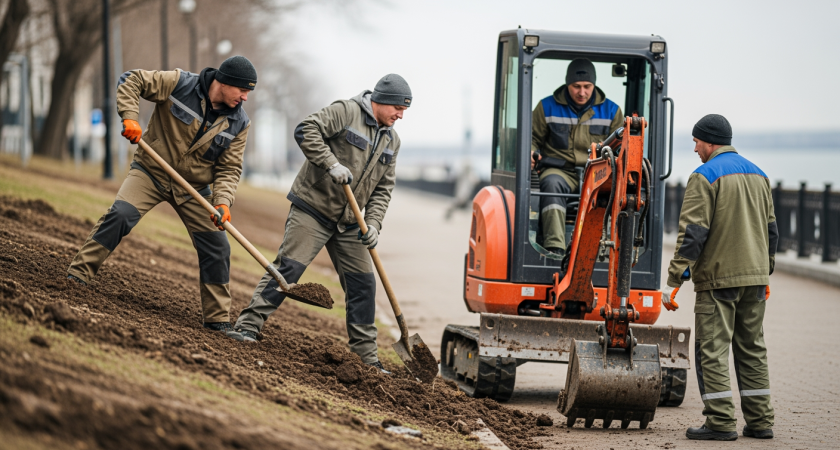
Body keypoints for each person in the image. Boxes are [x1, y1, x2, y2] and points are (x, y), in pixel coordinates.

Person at [230, 74, 411, 374]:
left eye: (405, 110)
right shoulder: (346, 111)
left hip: (351, 223)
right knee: (288, 268)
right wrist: (331, 163)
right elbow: (306, 129)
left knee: (364, 285)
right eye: (398, 108)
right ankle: (248, 326)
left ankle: (366, 358)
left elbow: (383, 189)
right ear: (381, 100)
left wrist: (373, 224)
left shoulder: (392, 141)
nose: (401, 115)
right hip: (313, 209)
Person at [66, 56, 257, 337]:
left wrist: (222, 202)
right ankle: (77, 276)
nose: (245, 98)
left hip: (194, 188)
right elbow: (132, 80)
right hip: (151, 171)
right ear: (225, 82)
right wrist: (129, 117)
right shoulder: (180, 83)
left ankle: (217, 319)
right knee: (121, 214)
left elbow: (229, 168)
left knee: (218, 246)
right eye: (242, 90)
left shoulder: (239, 122)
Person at [663, 114, 777, 441]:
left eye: (697, 142)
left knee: (711, 350)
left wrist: (674, 280)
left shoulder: (704, 176)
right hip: (755, 279)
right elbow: (771, 230)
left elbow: (693, 233)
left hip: (718, 280)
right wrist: (765, 271)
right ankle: (760, 421)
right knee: (752, 349)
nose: (695, 148)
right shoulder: (759, 174)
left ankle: (721, 421)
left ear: (710, 142)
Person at [530, 58, 623, 256]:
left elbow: (621, 149)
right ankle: (555, 247)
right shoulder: (546, 108)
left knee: (612, 191)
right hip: (559, 170)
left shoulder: (612, 112)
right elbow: (532, 138)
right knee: (551, 184)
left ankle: (601, 250)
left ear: (594, 85)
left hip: (597, 173)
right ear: (567, 84)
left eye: (587, 87)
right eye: (576, 86)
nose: (582, 92)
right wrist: (531, 151)